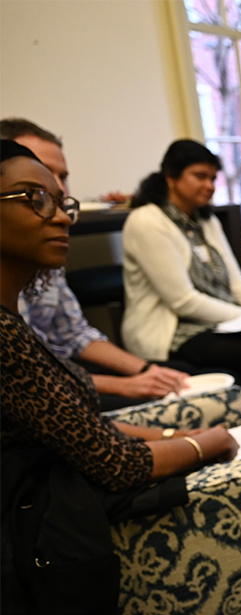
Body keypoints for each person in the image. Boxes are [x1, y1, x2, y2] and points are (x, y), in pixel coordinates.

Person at [1, 139, 241, 615]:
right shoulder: (4, 335)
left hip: (67, 474)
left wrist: (162, 436)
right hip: (45, 521)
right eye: (34, 198)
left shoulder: (14, 316)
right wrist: (206, 442)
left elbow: (72, 426)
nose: (61, 216)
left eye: (64, 201)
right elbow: (112, 463)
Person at [1, 117, 191, 410]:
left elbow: (73, 333)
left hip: (59, 372)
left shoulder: (45, 249)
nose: (59, 190)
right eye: (39, 176)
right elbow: (29, 376)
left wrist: (144, 371)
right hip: (41, 389)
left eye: (62, 176)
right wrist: (127, 387)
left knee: (193, 380)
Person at [122, 140, 241, 425]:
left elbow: (235, 279)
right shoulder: (146, 221)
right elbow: (183, 301)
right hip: (174, 331)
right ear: (171, 177)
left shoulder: (205, 221)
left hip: (219, 322)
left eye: (213, 178)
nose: (210, 185)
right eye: (200, 176)